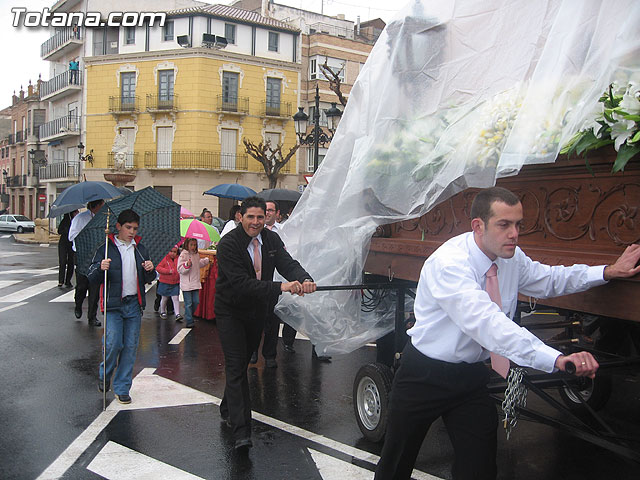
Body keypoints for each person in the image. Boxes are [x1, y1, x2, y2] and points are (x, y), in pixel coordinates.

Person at [374, 187, 640, 480]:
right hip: (423, 376)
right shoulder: (449, 264)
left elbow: (550, 279)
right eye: (504, 225)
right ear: (478, 225)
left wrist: (606, 272)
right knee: (395, 466)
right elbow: (491, 325)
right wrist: (556, 359)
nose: (514, 233)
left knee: (480, 470)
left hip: (470, 379)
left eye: (518, 225)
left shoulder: (510, 257)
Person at [215, 196, 316, 451]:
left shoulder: (271, 240)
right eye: (251, 217)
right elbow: (241, 284)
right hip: (231, 311)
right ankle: (241, 433)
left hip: (257, 311)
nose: (256, 222)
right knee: (237, 366)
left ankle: (228, 407)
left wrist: (304, 279)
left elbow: (287, 263)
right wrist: (282, 286)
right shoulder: (228, 244)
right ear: (241, 217)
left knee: (241, 361)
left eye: (261, 217)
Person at [87, 209, 156, 404]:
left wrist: (151, 270)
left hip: (134, 304)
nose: (132, 232)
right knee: (113, 343)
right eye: (128, 227)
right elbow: (92, 277)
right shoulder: (106, 248)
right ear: (118, 227)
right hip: (113, 304)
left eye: (135, 228)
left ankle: (122, 387)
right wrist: (101, 268)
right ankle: (104, 373)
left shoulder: (140, 249)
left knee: (131, 347)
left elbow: (149, 278)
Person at [252, 200, 298, 366]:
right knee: (255, 321)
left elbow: (287, 258)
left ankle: (270, 355)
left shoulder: (283, 232)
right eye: (266, 210)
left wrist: (301, 278)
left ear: (277, 213)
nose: (268, 213)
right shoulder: (248, 234)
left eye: (270, 210)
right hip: (256, 285)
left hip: (278, 282)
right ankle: (252, 351)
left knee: (273, 321)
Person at [69, 199, 104, 326]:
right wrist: (87, 233)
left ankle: (92, 316)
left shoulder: (103, 218)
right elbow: (71, 236)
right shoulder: (80, 218)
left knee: (94, 286)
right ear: (96, 205)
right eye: (102, 205)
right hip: (82, 255)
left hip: (97, 255)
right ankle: (78, 304)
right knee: (82, 285)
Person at [177, 237, 209, 328]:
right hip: (187, 283)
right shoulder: (183, 254)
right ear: (187, 244)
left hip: (195, 282)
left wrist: (205, 261)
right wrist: (186, 265)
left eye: (194, 245)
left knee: (196, 301)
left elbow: (198, 264)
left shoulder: (196, 254)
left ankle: (189, 314)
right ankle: (189, 320)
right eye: (191, 245)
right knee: (188, 303)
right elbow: (180, 269)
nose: (193, 247)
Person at [155, 246, 182, 321]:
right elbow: (158, 268)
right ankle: (163, 311)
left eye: (174, 252)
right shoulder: (164, 259)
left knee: (175, 298)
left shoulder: (178, 259)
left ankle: (177, 314)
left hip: (175, 281)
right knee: (164, 298)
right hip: (165, 282)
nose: (173, 253)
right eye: (171, 251)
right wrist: (168, 271)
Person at [57, 210, 78, 288]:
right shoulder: (65, 221)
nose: (77, 213)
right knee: (62, 262)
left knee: (71, 263)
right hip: (63, 243)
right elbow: (59, 231)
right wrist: (66, 230)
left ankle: (68, 281)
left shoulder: (76, 221)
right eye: (75, 212)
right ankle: (60, 280)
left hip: (71, 243)